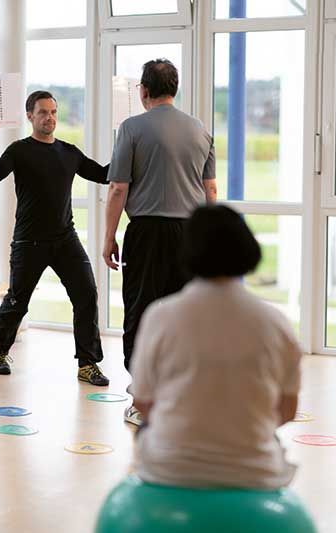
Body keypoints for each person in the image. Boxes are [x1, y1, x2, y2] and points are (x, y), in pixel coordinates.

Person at [130, 205, 301, 489]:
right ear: (248, 249)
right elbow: (287, 409)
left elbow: (143, 401)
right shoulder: (275, 322)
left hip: (171, 468)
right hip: (254, 471)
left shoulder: (160, 316)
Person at [102, 59, 218, 424]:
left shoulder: (132, 128)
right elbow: (210, 189)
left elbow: (118, 187)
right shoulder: (201, 130)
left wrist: (109, 237)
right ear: (175, 89)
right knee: (187, 314)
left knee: (141, 313)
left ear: (144, 91)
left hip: (148, 233)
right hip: (190, 233)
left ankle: (143, 399)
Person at [0, 90, 110, 386]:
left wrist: (132, 150)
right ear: (30, 116)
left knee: (87, 294)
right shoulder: (19, 150)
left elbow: (104, 174)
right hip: (29, 242)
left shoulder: (69, 152)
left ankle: (87, 363)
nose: (49, 117)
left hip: (65, 239)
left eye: (53, 112)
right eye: (42, 112)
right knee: (17, 300)